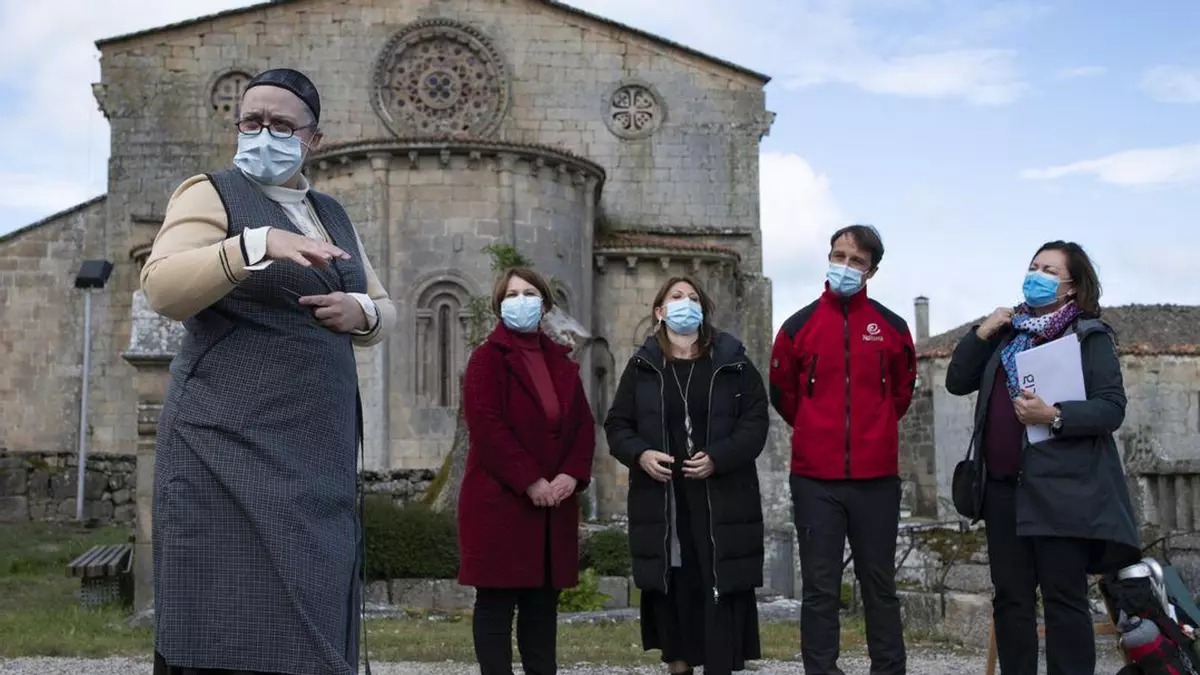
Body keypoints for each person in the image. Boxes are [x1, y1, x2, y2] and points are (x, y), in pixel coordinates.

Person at [141, 68, 396, 675]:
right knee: (226, 614)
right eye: (252, 121)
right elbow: (163, 288)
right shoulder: (208, 193)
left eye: (282, 125)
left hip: (316, 456)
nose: (263, 133)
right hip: (223, 447)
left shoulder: (330, 213)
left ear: (314, 139)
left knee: (312, 607)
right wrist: (253, 246)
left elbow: (384, 307)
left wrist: (359, 311)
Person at [945, 241, 1140, 675]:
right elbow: (957, 381)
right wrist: (982, 331)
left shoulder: (1088, 335)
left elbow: (1111, 408)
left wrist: (1054, 415)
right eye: (1034, 266)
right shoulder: (1006, 334)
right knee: (1011, 598)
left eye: (1050, 270)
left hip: (1061, 492)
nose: (1037, 275)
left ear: (1072, 286)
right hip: (1002, 490)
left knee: (1063, 598)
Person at [604, 276, 770, 675]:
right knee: (675, 580)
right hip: (665, 497)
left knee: (717, 581)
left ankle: (719, 665)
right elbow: (617, 425)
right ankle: (678, 663)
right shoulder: (642, 366)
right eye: (676, 297)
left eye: (693, 298)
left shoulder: (733, 361)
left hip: (721, 496)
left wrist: (718, 457)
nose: (686, 303)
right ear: (660, 312)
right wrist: (641, 454)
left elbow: (755, 422)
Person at [769, 224, 915, 675]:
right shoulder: (797, 327)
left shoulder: (892, 328)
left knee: (879, 586)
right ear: (829, 258)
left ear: (871, 270)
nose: (846, 267)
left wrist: (872, 431)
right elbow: (783, 393)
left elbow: (902, 393)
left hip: (877, 480)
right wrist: (818, 428)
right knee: (820, 589)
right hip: (815, 480)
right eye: (839, 256)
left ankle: (888, 669)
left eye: (856, 261)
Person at [457, 267, 596, 675]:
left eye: (529, 293)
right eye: (512, 294)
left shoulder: (562, 362)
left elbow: (583, 426)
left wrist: (571, 475)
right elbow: (488, 428)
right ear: (499, 305)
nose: (521, 301)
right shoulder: (486, 359)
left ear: (545, 304)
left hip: (553, 506)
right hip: (500, 502)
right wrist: (531, 480)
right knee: (496, 605)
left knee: (541, 610)